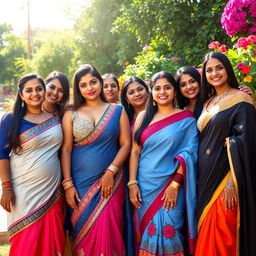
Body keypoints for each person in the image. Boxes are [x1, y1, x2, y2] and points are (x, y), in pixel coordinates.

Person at [61, 64, 131, 256]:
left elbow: (126, 144)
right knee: (83, 233)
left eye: (93, 82)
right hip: (80, 184)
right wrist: (68, 185)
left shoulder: (117, 110)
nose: (89, 87)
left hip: (111, 183)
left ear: (100, 82)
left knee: (110, 229)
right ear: (78, 89)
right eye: (83, 85)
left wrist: (111, 172)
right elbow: (66, 149)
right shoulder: (71, 112)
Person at [129, 71, 198, 256]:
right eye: (157, 88)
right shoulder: (143, 117)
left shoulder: (186, 118)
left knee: (171, 231)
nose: (162, 92)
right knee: (146, 234)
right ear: (152, 92)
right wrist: (132, 183)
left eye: (167, 87)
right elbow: (135, 152)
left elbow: (190, 153)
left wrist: (175, 185)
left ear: (175, 91)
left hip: (171, 186)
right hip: (145, 187)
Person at [195, 51, 256, 256]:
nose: (214, 73)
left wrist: (232, 181)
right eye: (209, 70)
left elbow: (246, 143)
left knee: (224, 231)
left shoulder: (241, 99)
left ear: (227, 69)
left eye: (219, 68)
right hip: (204, 178)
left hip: (226, 179)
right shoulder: (206, 102)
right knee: (205, 228)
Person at [0, 74, 65, 255]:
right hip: (23, 192)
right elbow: (1, 154)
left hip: (52, 191)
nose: (34, 93)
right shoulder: (11, 120)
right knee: (27, 241)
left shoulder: (55, 117)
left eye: (39, 89)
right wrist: (6, 187)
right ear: (21, 95)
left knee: (52, 242)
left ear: (44, 91)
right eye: (29, 90)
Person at [176, 66, 254, 119]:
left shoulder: (211, 103)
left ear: (200, 81)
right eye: (183, 85)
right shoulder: (180, 110)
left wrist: (248, 98)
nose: (189, 87)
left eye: (192, 81)